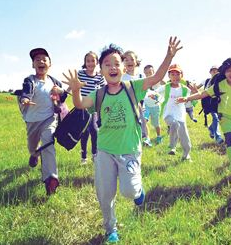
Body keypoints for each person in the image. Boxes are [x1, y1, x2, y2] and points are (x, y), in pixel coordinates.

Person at [62, 37, 182, 243]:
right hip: (105, 151)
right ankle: (111, 230)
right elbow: (80, 104)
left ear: (123, 66)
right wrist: (75, 89)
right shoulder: (99, 94)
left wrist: (169, 56)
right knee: (105, 195)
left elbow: (156, 78)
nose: (112, 67)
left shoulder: (132, 87)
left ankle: (138, 190)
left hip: (130, 149)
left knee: (129, 191)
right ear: (101, 70)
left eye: (116, 63)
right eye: (107, 64)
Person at [177, 58, 231, 185]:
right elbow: (202, 94)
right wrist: (187, 98)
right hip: (225, 117)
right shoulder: (219, 85)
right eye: (229, 71)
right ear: (224, 73)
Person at [20, 48, 67, 195]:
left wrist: (61, 92)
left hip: (49, 119)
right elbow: (26, 92)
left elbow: (63, 98)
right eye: (37, 59)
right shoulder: (30, 80)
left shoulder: (54, 81)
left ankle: (51, 178)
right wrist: (25, 99)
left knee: (48, 143)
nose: (40, 61)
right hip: (32, 121)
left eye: (44, 59)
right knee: (33, 147)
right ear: (33, 65)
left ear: (50, 64)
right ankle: (34, 155)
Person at [157, 64, 192, 160]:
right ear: (169, 76)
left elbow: (192, 99)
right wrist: (153, 96)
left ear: (182, 75)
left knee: (185, 139)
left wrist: (186, 98)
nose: (175, 77)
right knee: (174, 123)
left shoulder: (185, 89)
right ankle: (172, 146)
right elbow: (155, 93)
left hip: (180, 116)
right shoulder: (166, 87)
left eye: (177, 74)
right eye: (172, 74)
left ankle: (186, 155)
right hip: (168, 114)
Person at [78, 51, 105, 164]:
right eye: (88, 61)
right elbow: (73, 86)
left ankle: (95, 154)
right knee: (84, 132)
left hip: (94, 107)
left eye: (92, 60)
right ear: (85, 63)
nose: (90, 63)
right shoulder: (81, 73)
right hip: (82, 107)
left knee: (94, 130)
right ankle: (84, 156)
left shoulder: (99, 76)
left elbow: (104, 89)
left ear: (97, 62)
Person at [121, 50, 152, 146]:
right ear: (123, 63)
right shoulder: (122, 77)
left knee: (143, 121)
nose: (129, 61)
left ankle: (147, 138)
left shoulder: (141, 76)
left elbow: (146, 90)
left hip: (140, 104)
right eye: (126, 60)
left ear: (136, 62)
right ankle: (130, 140)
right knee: (130, 124)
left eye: (132, 59)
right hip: (127, 105)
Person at [199, 66, 224, 144]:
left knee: (219, 118)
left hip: (218, 103)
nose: (215, 72)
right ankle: (218, 137)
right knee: (216, 118)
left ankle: (211, 128)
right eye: (213, 71)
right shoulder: (206, 81)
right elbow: (197, 88)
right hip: (208, 103)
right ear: (210, 72)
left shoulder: (221, 81)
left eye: (216, 70)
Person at [143, 65, 165, 144]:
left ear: (153, 72)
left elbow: (167, 85)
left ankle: (159, 136)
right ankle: (147, 138)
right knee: (144, 120)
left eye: (150, 72)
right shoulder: (144, 81)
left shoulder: (158, 80)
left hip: (156, 106)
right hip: (146, 105)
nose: (149, 74)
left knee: (156, 123)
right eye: (146, 73)